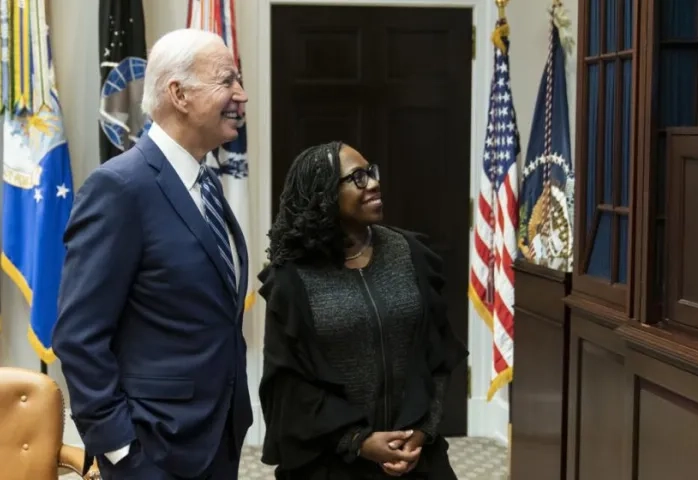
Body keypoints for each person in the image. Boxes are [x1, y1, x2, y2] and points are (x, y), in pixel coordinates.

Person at [52, 28, 252, 480]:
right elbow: (79, 335)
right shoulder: (119, 188)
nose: (241, 95)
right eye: (227, 80)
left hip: (217, 437)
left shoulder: (206, 182)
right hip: (152, 451)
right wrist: (120, 449)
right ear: (179, 94)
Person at [258, 141, 468, 479]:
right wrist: (357, 441)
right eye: (357, 177)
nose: (373, 183)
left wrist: (422, 430)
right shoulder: (292, 279)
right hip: (331, 462)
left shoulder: (410, 253)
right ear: (324, 194)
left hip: (416, 455)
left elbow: (438, 357)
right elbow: (288, 388)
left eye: (371, 172)